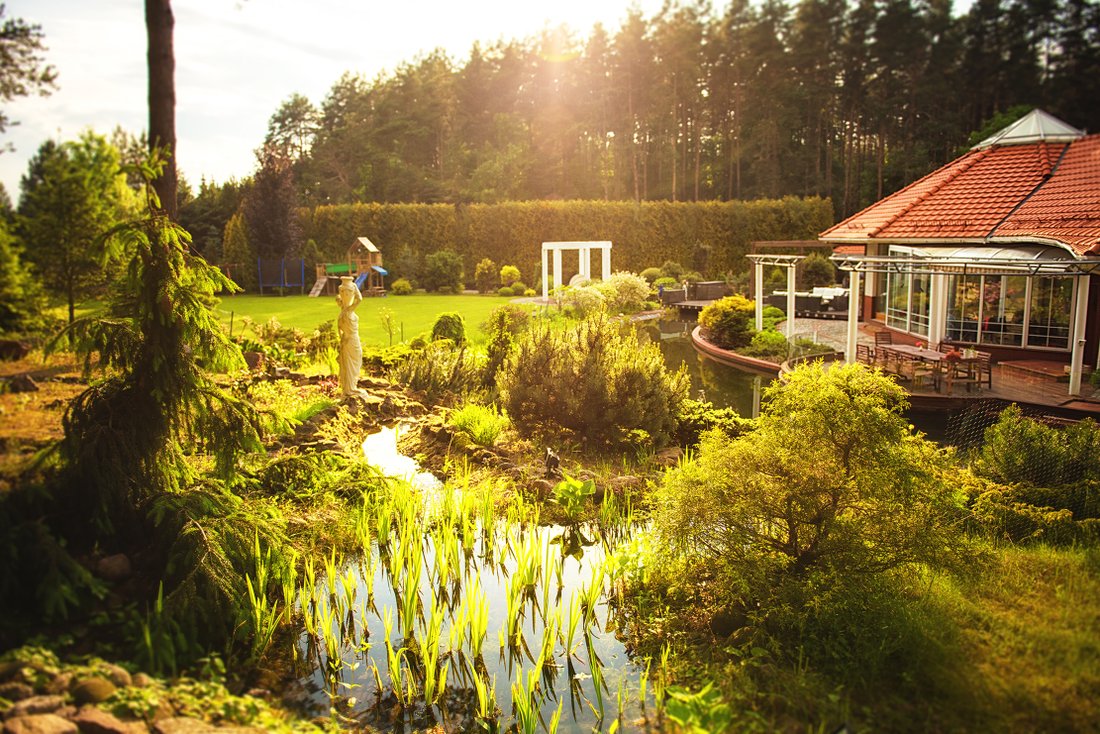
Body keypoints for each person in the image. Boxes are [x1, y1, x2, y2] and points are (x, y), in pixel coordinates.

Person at [336, 276, 364, 396]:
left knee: (350, 364)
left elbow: (340, 332)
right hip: (352, 340)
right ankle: (350, 389)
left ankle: (349, 388)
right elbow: (360, 299)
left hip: (346, 341)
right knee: (354, 362)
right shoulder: (348, 312)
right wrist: (354, 285)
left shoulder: (342, 314)